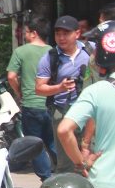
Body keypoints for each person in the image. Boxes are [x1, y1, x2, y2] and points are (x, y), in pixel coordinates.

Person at [58, 21, 115, 188]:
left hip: (107, 187)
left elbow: (64, 130)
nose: (93, 53)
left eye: (95, 48)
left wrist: (81, 163)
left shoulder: (96, 91)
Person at [36, 16, 91, 173]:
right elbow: (39, 89)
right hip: (62, 111)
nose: (61, 38)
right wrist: (60, 88)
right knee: (66, 161)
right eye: (58, 34)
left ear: (77, 33)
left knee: (90, 153)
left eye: (66, 33)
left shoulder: (90, 50)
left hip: (89, 112)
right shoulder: (49, 58)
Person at [6, 16, 53, 180]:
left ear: (34, 33)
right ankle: (64, 171)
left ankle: (46, 178)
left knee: (35, 144)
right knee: (53, 142)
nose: (24, 35)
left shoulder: (21, 51)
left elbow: (11, 76)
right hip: (51, 104)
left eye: (26, 32)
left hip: (31, 104)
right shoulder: (52, 51)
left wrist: (19, 93)